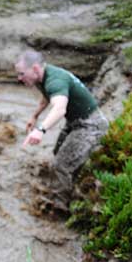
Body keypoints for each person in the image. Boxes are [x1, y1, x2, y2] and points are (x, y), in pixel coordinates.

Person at [16, 50, 108, 208]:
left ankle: (60, 207)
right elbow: (47, 97)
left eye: (22, 74)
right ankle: (72, 185)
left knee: (61, 165)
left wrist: (40, 130)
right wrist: (35, 116)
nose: (19, 78)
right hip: (75, 121)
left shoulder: (55, 80)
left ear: (35, 68)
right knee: (58, 153)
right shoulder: (41, 78)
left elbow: (59, 109)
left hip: (91, 125)